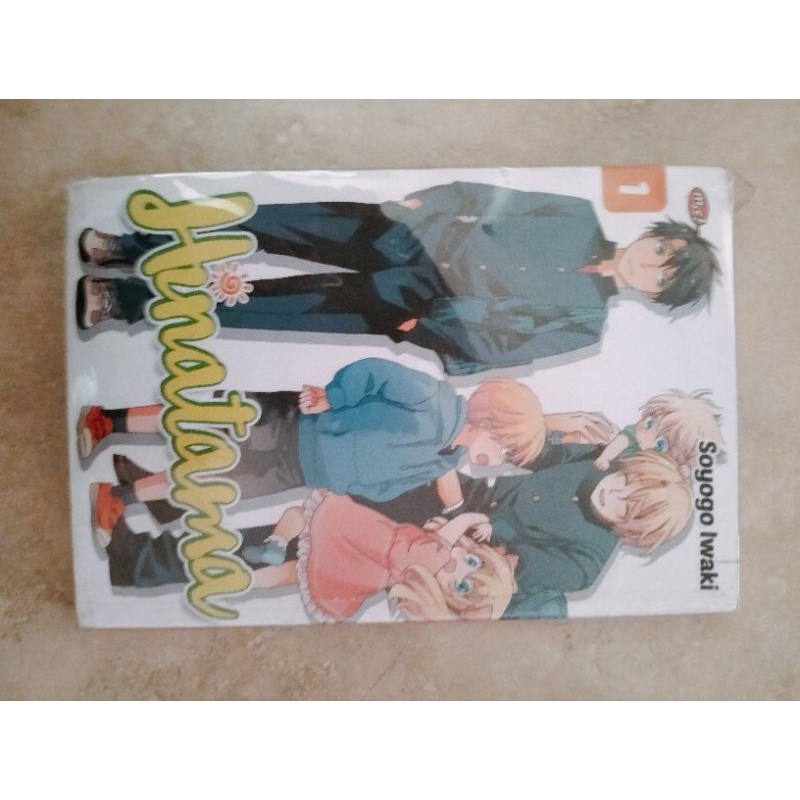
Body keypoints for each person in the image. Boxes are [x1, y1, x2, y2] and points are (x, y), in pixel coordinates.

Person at [75, 181, 719, 375]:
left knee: (262, 303)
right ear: (653, 234)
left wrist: (419, 327)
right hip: (403, 232)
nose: (651, 263)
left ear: (657, 295)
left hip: (409, 302)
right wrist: (423, 202)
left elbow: (500, 349)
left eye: (664, 275)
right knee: (264, 224)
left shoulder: (586, 324)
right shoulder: (577, 213)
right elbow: (486, 195)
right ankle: (127, 245)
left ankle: (123, 301)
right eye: (663, 248)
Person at [83, 358, 549, 544]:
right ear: (493, 421)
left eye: (507, 459)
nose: (498, 460)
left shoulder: (443, 460)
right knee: (200, 418)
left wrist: (348, 486)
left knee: (210, 484)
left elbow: (387, 486)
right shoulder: (433, 399)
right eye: (505, 449)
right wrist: (336, 395)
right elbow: (376, 373)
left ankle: (118, 496)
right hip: (293, 423)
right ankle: (108, 420)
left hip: (302, 472)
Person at [359, 444, 694, 619]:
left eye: (627, 506)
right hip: (476, 494)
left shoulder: (585, 564)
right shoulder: (598, 462)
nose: (613, 492)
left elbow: (503, 563)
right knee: (392, 467)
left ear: (633, 529)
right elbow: (545, 453)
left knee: (377, 523)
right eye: (624, 480)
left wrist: (460, 513)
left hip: (460, 550)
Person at [593, 389, 724, 471]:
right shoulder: (632, 437)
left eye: (661, 444)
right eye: (649, 424)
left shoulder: (660, 463)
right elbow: (619, 443)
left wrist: (684, 471)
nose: (647, 439)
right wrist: (605, 458)